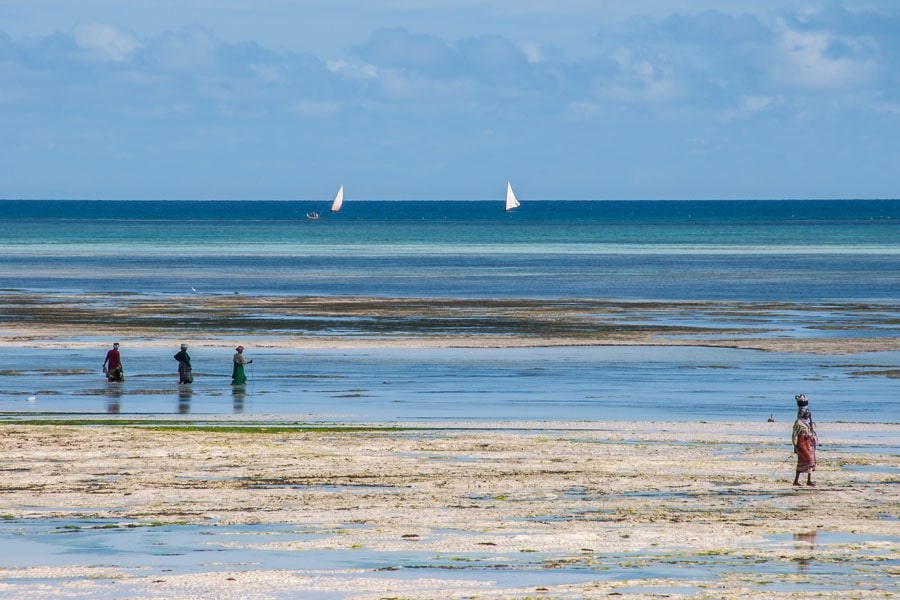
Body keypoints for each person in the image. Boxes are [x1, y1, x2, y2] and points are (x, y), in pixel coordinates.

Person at [792, 396, 818, 487]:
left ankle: (808, 480)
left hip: (809, 442)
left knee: (811, 461)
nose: (807, 414)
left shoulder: (807, 423)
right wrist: (795, 446)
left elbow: (813, 428)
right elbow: (795, 435)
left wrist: (810, 418)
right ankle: (796, 480)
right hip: (802, 443)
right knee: (805, 460)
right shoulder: (799, 423)